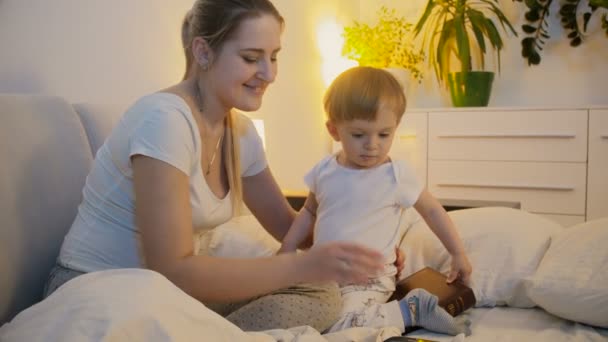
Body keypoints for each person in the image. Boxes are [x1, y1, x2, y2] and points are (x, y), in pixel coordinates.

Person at [43, 0, 388, 332]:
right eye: (252, 58)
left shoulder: (240, 131)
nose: (268, 74)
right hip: (102, 291)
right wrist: (296, 265)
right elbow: (172, 268)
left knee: (319, 292)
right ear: (203, 52)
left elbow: (287, 225)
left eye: (274, 57)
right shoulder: (164, 119)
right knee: (303, 278)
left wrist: (367, 244)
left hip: (166, 294)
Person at [277, 66, 473, 335]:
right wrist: (288, 246)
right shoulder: (324, 170)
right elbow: (309, 210)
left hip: (368, 279)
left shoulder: (396, 175)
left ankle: (411, 309)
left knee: (337, 324)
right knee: (296, 313)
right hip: (322, 272)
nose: (372, 145)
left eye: (384, 134)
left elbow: (432, 211)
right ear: (334, 130)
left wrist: (457, 253)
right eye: (359, 135)